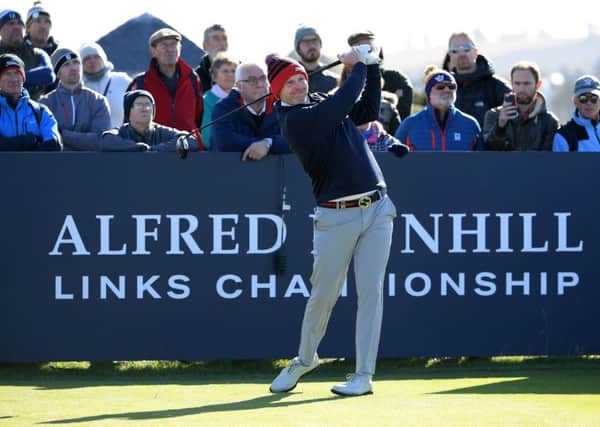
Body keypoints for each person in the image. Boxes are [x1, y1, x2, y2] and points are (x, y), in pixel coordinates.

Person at [267, 47, 402, 397]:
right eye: (289, 82)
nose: (298, 86)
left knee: (371, 292)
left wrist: (371, 68)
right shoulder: (293, 121)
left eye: (300, 78)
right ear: (277, 92)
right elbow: (342, 104)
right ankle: (305, 358)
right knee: (323, 296)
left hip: (377, 208)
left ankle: (363, 375)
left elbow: (367, 110)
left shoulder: (321, 102)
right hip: (335, 216)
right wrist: (357, 67)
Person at [129, 28, 203, 144]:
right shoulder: (141, 83)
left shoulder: (193, 79)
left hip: (189, 148)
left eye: (173, 45)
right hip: (155, 150)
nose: (170, 50)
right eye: (164, 45)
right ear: (153, 50)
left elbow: (198, 115)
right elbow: (130, 121)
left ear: (180, 49)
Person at [211, 62, 290, 160]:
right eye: (252, 80)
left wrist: (268, 144)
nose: (260, 84)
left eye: (263, 78)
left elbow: (298, 138)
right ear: (239, 86)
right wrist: (260, 145)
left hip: (276, 171)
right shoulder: (224, 108)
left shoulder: (281, 104)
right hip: (234, 170)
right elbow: (223, 141)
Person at [394, 66, 481, 151]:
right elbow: (393, 160)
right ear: (428, 93)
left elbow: (483, 162)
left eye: (451, 86)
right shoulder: (409, 125)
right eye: (440, 87)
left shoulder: (470, 124)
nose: (447, 90)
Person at [40, 48, 111, 150]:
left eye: (76, 62)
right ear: (57, 73)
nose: (73, 68)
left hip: (91, 163)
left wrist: (62, 134)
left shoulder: (98, 101)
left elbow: (100, 140)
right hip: (58, 163)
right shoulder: (46, 103)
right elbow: (48, 141)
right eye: (66, 64)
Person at [483, 61, 559, 151]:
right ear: (511, 83)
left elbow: (548, 159)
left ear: (538, 85)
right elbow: (488, 153)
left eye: (526, 83)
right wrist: (500, 127)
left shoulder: (550, 122)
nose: (521, 89)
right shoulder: (493, 115)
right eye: (517, 83)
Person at [99, 90, 200, 152]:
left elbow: (190, 140)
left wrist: (155, 149)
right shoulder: (120, 133)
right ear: (128, 110)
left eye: (148, 105)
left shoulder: (162, 132)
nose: (145, 109)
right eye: (139, 105)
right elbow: (106, 141)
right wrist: (138, 148)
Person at [347, 30, 413, 121]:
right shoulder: (348, 78)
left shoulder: (397, 79)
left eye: (369, 49)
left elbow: (403, 117)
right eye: (359, 49)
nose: (365, 54)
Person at [447, 32, 510, 127]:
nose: (462, 54)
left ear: (476, 52)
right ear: (450, 55)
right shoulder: (444, 88)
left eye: (466, 49)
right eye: (455, 50)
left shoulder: (497, 87)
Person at [0, 53, 61, 150]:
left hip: (36, 165)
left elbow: (54, 145)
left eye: (17, 73)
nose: (14, 79)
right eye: (7, 73)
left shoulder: (40, 111)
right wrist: (28, 141)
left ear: (23, 78)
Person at [0, 9, 54, 100]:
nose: (16, 27)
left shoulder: (37, 53)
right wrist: (32, 80)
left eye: (19, 23)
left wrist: (14, 78)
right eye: (11, 24)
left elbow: (48, 74)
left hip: (32, 110)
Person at [80, 42, 132, 127]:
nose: (92, 61)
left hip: (121, 138)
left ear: (104, 59)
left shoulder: (122, 80)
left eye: (97, 57)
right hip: (90, 139)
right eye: (87, 59)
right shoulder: (78, 86)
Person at [553, 75, 600, 152]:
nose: (589, 103)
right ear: (575, 102)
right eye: (583, 98)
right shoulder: (564, 136)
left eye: (594, 98)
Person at [200, 52, 237, 149]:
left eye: (233, 71)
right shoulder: (206, 101)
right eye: (225, 71)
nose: (230, 75)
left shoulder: (243, 98)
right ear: (214, 76)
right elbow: (206, 138)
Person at [294, 25, 338, 93]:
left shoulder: (333, 81)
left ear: (320, 45)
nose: (311, 45)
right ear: (298, 48)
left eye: (314, 40)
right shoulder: (289, 80)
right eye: (306, 42)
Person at [195, 24, 228, 93]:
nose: (222, 43)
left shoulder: (240, 73)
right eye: (216, 39)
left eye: (224, 39)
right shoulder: (194, 79)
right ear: (205, 45)